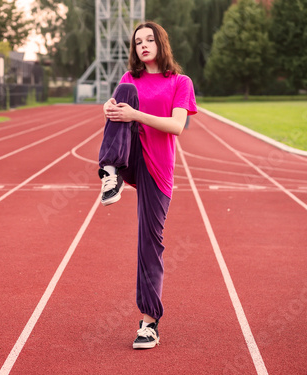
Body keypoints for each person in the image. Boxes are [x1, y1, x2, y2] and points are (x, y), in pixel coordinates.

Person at [97, 21, 197, 349]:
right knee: (123, 93)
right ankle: (109, 173)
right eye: (138, 41)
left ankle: (149, 323)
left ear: (160, 43)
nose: (143, 45)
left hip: (158, 168)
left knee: (149, 243)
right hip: (131, 156)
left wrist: (135, 116)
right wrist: (109, 109)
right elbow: (115, 111)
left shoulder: (180, 82)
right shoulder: (130, 80)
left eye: (149, 39)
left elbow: (177, 126)